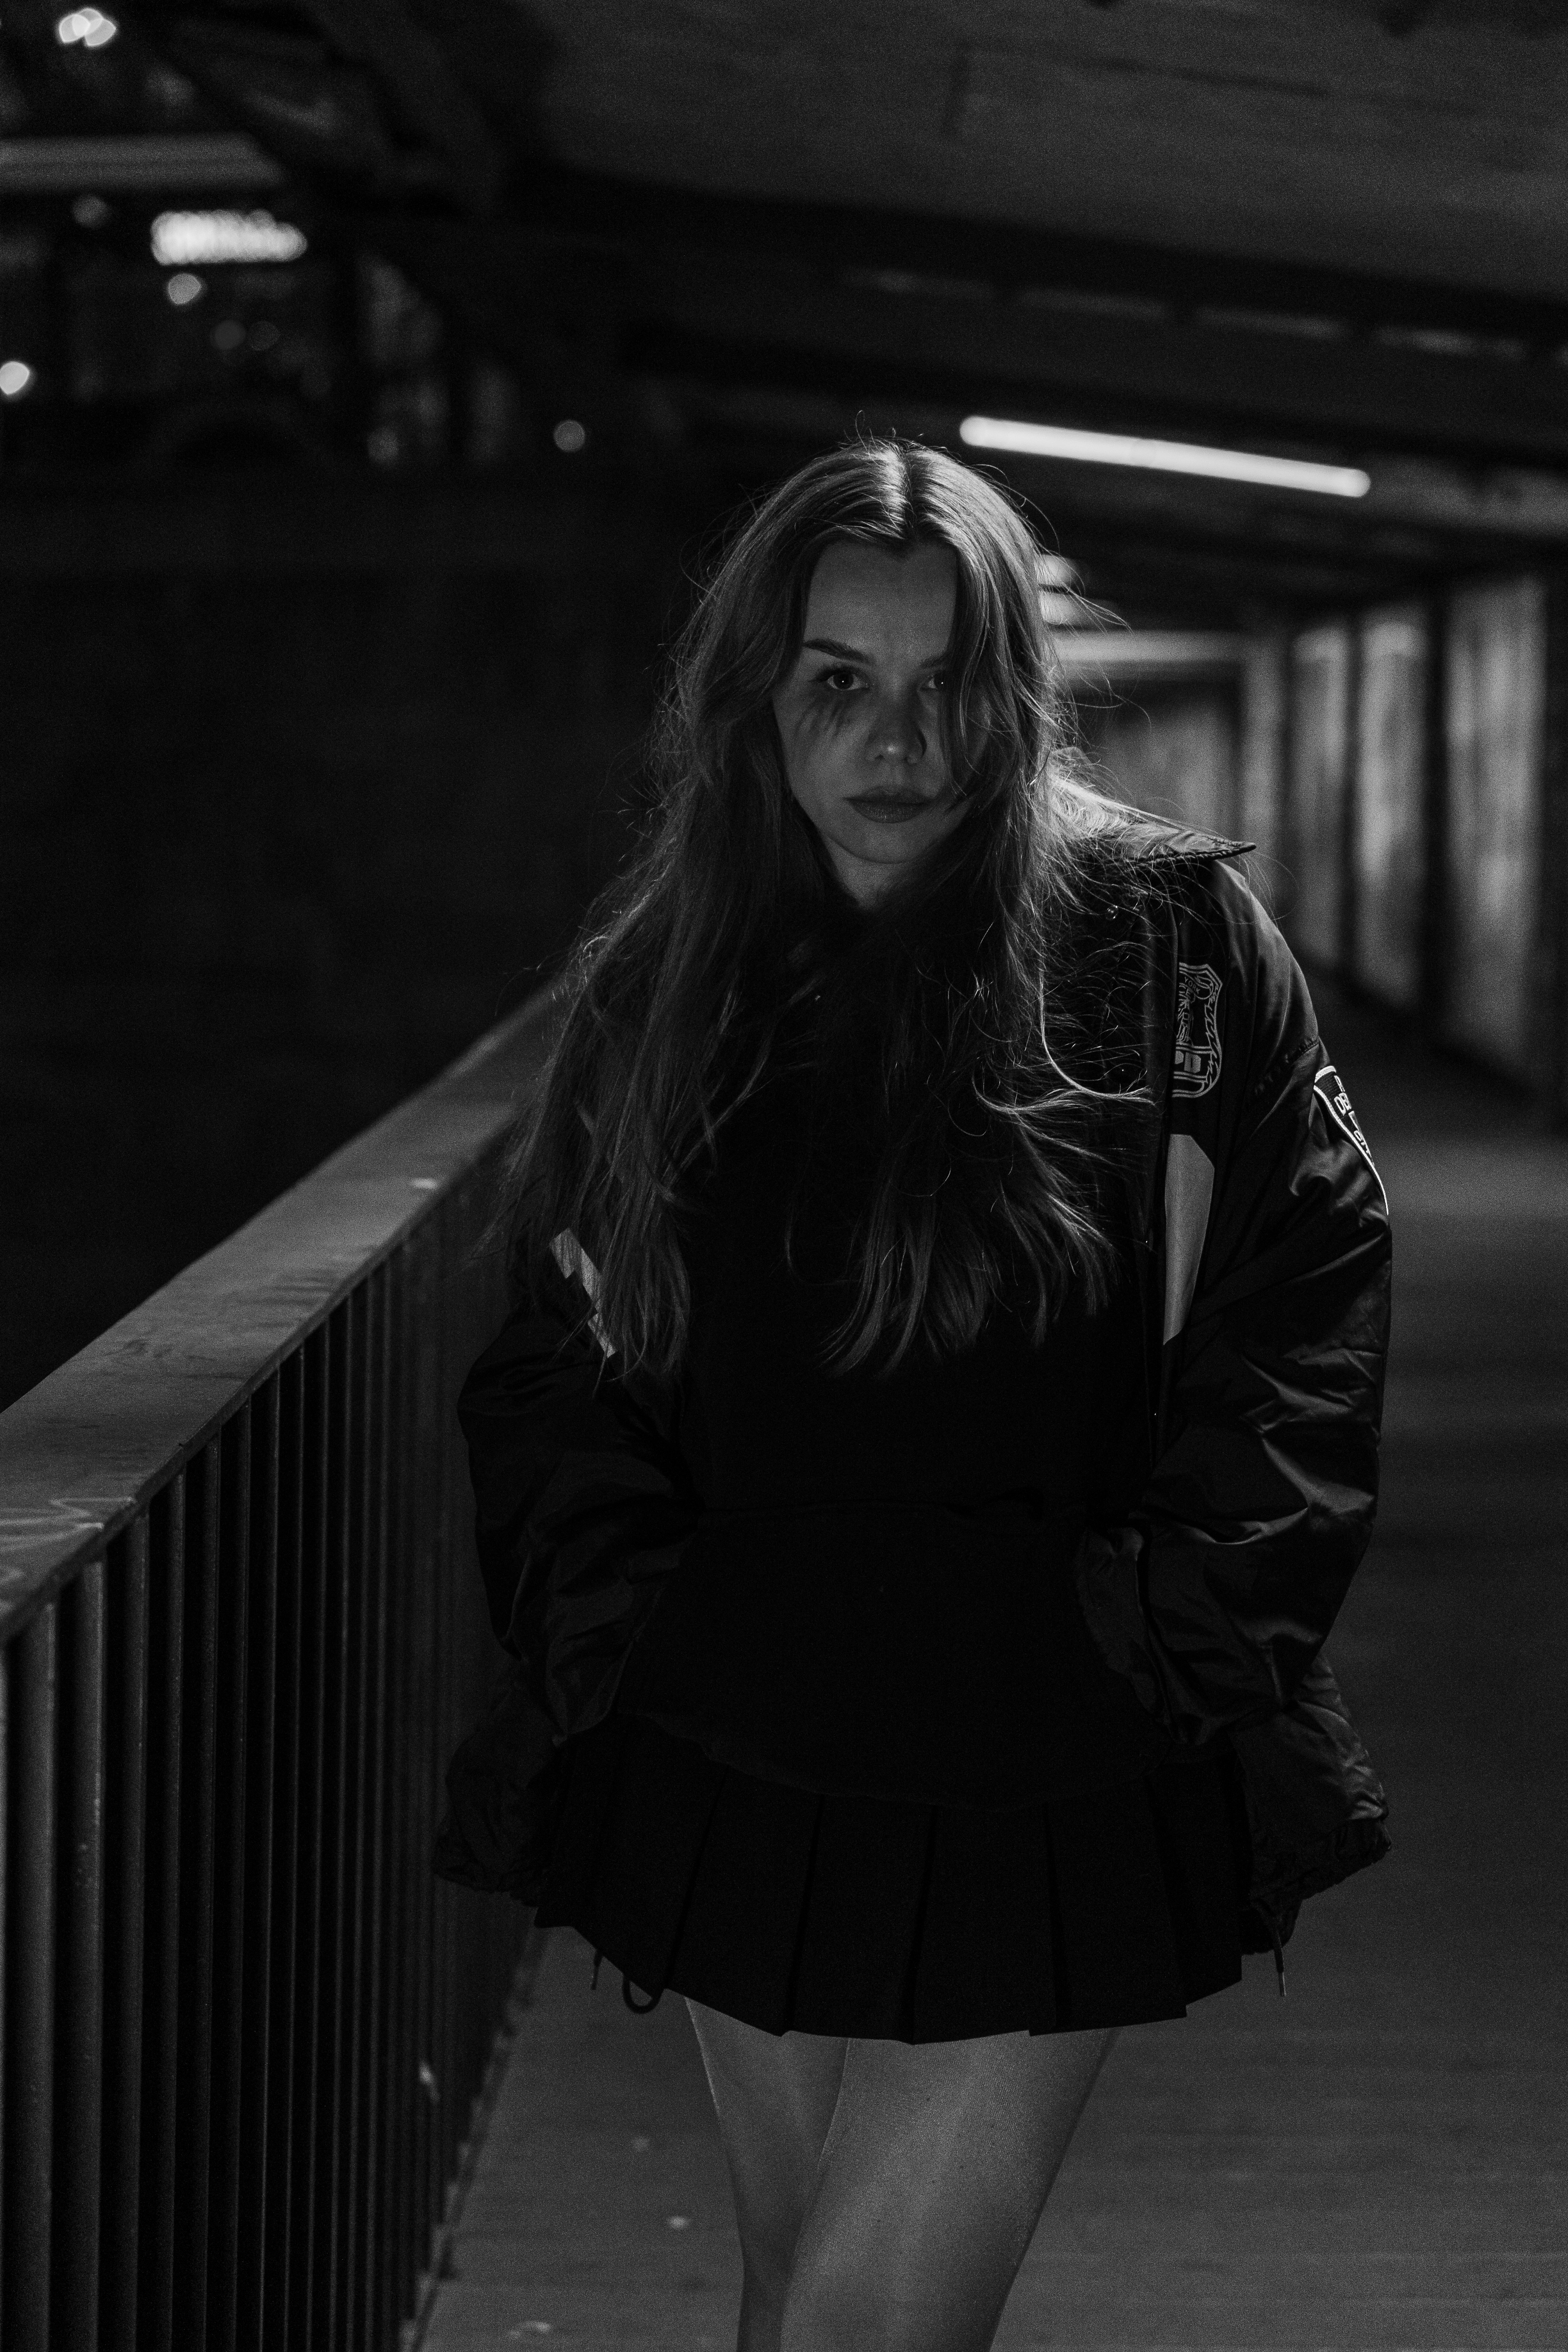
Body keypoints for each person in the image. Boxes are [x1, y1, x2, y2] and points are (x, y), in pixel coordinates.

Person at [433, 438, 1393, 2352]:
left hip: (1056, 1732)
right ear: (757, 706)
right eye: (840, 684)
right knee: (798, 2280)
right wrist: (633, 1623)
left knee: (874, 2323)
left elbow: (1310, 1287)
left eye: (951, 683)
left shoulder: (1162, 946)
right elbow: (553, 1360)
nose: (902, 741)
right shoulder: (672, 987)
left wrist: (1174, 1626)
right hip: (744, 1723)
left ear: (1015, 696)